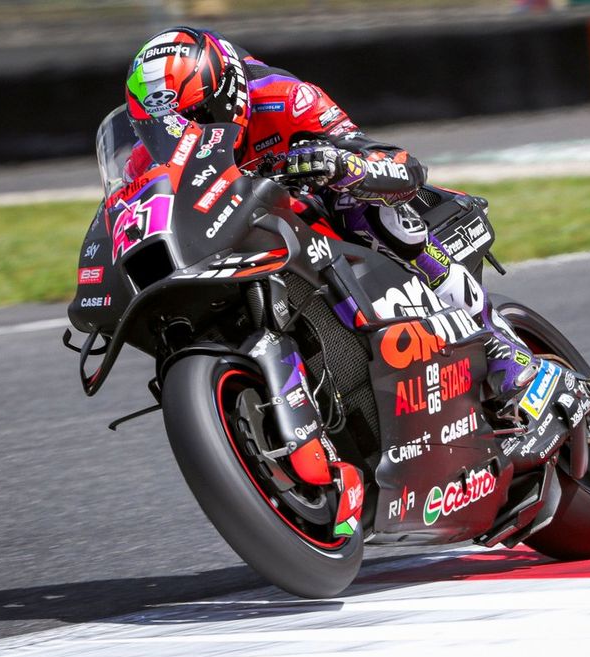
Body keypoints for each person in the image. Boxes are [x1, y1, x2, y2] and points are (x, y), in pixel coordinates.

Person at [123, 26, 538, 405]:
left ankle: (490, 334)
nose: (182, 135)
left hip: (311, 210)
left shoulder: (284, 97)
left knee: (364, 209)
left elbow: (400, 167)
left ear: (227, 92)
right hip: (232, 236)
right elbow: (134, 217)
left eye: (195, 118)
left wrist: (342, 165)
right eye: (160, 129)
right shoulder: (143, 161)